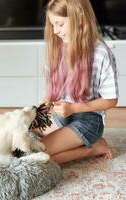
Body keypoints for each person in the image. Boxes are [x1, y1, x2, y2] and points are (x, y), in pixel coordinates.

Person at [40, 0, 119, 164]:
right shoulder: (59, 47)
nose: (55, 31)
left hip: (89, 120)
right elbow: (53, 92)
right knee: (24, 143)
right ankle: (77, 140)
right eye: (53, 25)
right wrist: (42, 107)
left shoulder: (100, 54)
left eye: (60, 24)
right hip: (64, 116)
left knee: (41, 156)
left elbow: (111, 100)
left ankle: (94, 148)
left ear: (80, 17)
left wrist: (74, 108)